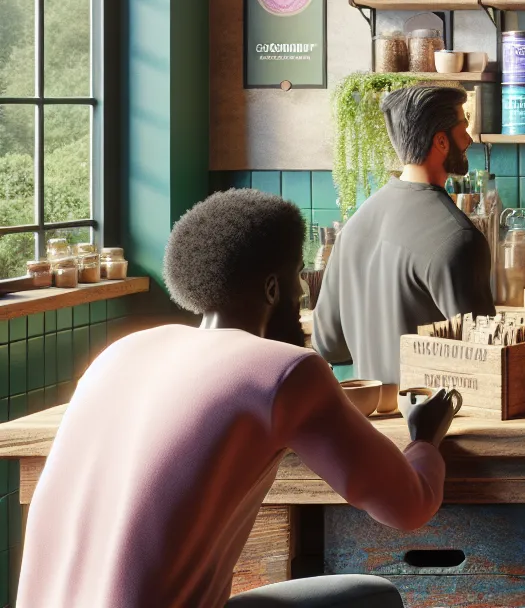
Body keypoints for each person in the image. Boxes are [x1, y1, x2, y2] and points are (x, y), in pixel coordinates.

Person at [18, 189, 459, 608]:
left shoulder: (119, 354)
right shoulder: (282, 370)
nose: (302, 293)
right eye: (296, 279)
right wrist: (424, 439)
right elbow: (407, 507)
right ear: (272, 289)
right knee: (372, 596)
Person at [313, 85, 495, 384]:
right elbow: (487, 360)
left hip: (374, 420)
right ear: (441, 141)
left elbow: (329, 344)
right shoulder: (457, 237)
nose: (469, 139)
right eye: (463, 126)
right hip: (440, 423)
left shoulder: (354, 227)